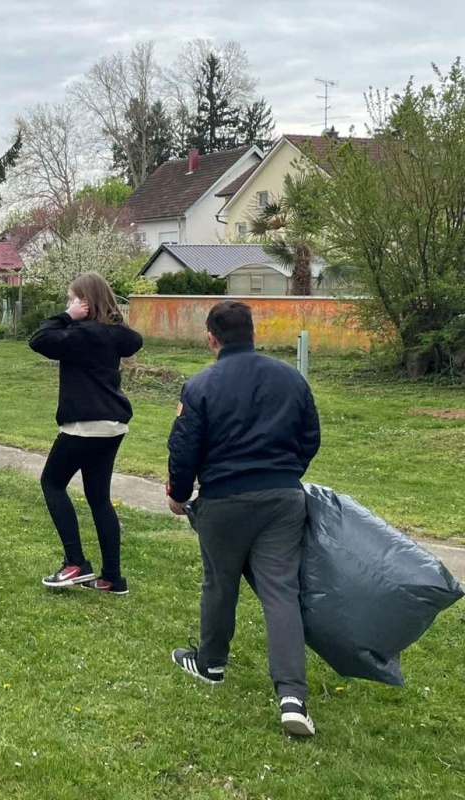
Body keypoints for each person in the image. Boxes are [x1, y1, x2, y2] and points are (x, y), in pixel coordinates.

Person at [166, 300, 321, 738]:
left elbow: (184, 447)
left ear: (211, 339)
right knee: (281, 592)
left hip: (224, 499)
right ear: (253, 333)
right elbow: (310, 436)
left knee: (220, 583)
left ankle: (211, 663)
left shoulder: (200, 385)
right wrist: (286, 474)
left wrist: (179, 494)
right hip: (283, 498)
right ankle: (292, 697)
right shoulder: (291, 377)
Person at [29, 272, 143, 595]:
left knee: (52, 483)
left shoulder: (81, 334)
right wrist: (101, 318)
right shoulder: (114, 333)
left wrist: (67, 316)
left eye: (71, 299)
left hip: (83, 424)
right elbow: (134, 339)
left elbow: (39, 339)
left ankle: (75, 562)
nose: (67, 305)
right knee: (98, 497)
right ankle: (112, 577)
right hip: (113, 425)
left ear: (85, 303)